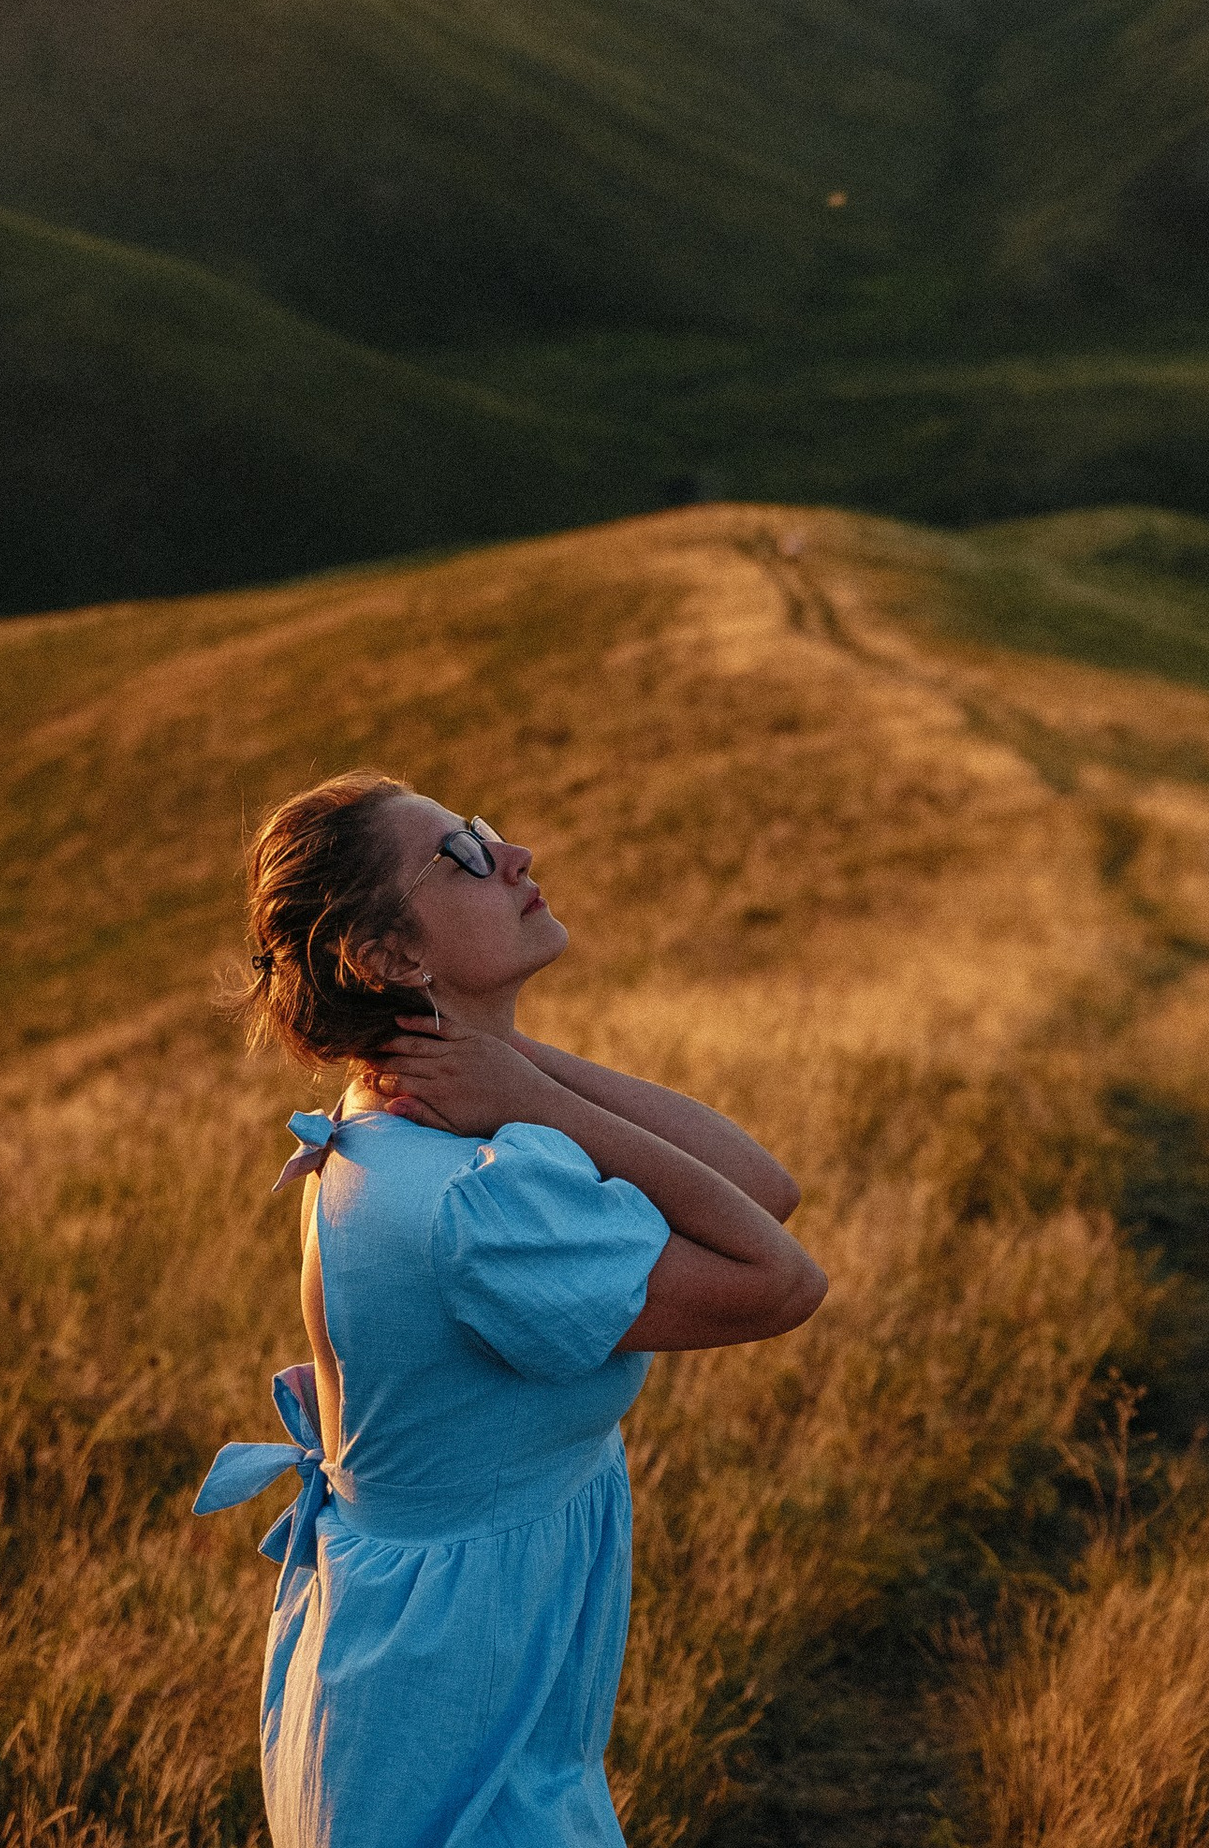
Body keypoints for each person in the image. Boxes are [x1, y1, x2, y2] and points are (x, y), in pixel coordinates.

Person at [194, 770, 827, 1848]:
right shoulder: (472, 1200)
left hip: (453, 1694)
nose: (516, 855)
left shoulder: (411, 1120)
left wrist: (516, 1066)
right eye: (465, 854)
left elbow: (764, 1187)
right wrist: (529, 1097)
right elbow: (782, 1279)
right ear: (387, 957)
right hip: (452, 1746)